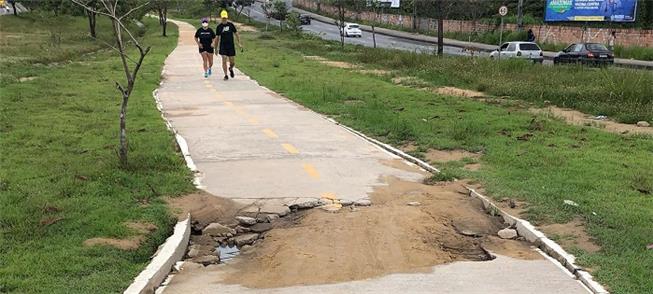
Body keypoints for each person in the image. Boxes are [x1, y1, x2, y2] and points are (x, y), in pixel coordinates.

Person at [214, 10, 243, 81]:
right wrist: (216, 48)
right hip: (223, 46)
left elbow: (236, 34)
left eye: (225, 18)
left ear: (227, 18)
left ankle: (231, 68)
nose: (224, 19)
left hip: (231, 46)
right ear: (221, 18)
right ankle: (226, 75)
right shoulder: (219, 27)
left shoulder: (231, 25)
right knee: (224, 59)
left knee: (232, 62)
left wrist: (239, 43)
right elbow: (217, 38)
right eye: (223, 18)